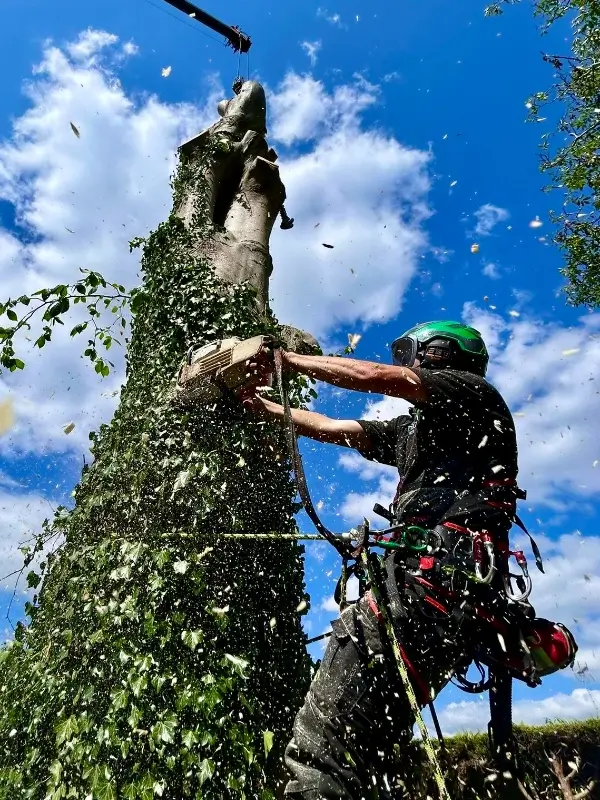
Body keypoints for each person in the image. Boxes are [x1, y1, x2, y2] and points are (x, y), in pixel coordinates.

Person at [239, 321, 553, 799]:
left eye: (413, 353)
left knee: (320, 753)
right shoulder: (414, 430)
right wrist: (259, 407)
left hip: (432, 586)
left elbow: (388, 379)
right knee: (366, 751)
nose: (407, 363)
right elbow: (334, 428)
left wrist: (290, 361)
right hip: (443, 606)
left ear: (440, 354)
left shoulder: (472, 395)